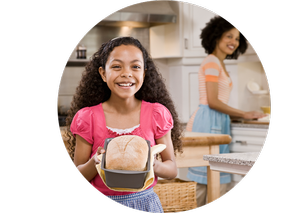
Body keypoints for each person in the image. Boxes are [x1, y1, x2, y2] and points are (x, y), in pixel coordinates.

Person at [64, 37, 183, 213]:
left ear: (143, 73)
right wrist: (95, 162)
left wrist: (152, 164)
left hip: (146, 204)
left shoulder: (157, 114)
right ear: (103, 74)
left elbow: (172, 169)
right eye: (116, 66)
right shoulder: (87, 117)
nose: (126, 73)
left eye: (135, 66)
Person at [186, 16, 266, 207]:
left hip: (217, 121)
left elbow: (218, 102)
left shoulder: (218, 63)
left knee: (214, 179)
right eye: (229, 36)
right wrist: (244, 114)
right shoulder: (212, 62)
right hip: (207, 121)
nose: (233, 42)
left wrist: (239, 114)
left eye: (237, 38)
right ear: (216, 37)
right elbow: (213, 101)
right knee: (204, 182)